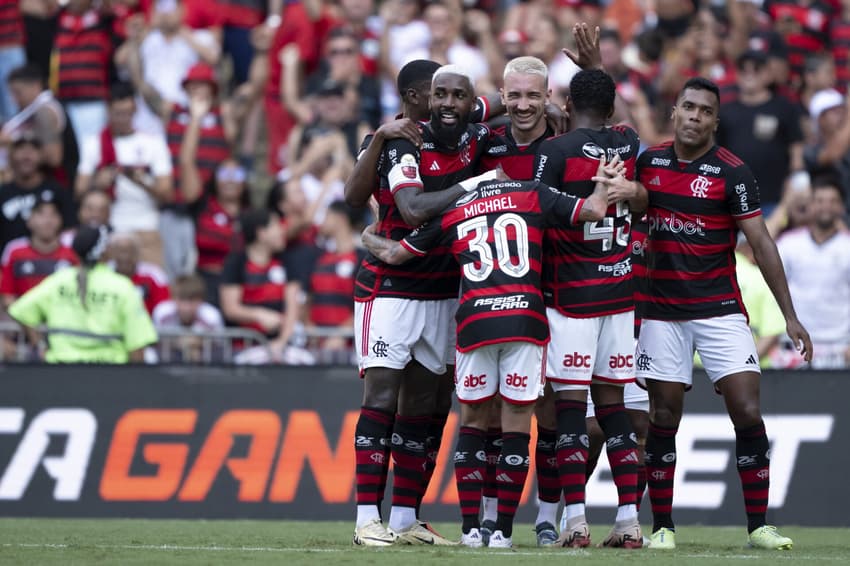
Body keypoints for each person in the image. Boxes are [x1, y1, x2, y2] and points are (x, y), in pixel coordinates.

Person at [361, 171, 610, 548]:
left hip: (476, 321)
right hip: (524, 319)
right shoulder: (533, 193)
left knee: (473, 425)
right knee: (515, 428)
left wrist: (368, 237)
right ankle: (503, 534)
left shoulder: (458, 206)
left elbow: (396, 255)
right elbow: (593, 211)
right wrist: (605, 182)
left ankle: (471, 531)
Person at [628, 76, 812, 550]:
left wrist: (789, 316)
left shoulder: (734, 172)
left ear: (714, 121)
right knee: (662, 417)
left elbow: (763, 244)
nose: (694, 116)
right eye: (687, 107)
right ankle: (663, 527)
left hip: (719, 307)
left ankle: (759, 528)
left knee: (748, 411)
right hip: (661, 310)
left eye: (705, 111)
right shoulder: (648, 162)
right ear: (674, 111)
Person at [349, 63, 491, 547]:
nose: (448, 102)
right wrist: (476, 187)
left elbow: (510, 106)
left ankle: (406, 519)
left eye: (457, 95)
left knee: (426, 408)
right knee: (383, 399)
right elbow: (409, 209)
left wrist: (555, 106)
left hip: (443, 290)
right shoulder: (400, 142)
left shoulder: (474, 131)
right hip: (389, 286)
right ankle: (367, 518)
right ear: (422, 97)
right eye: (439, 94)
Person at [533, 60, 645, 547]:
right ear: (613, 105)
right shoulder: (629, 143)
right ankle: (628, 521)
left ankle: (574, 521)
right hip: (620, 297)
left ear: (568, 105)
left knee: (571, 411)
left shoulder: (555, 150)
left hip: (572, 296)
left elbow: (537, 206)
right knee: (615, 408)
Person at [475, 55, 561, 547]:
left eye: (533, 95)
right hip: (492, 295)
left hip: (552, 290)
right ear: (502, 98)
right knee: (488, 413)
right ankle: (489, 514)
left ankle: (547, 516)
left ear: (548, 96)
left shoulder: (567, 145)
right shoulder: (485, 145)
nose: (524, 104)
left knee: (545, 410)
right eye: (515, 95)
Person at [7, 224, 158, 363]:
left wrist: (40, 346)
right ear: (104, 251)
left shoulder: (59, 280)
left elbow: (20, 311)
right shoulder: (122, 286)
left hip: (60, 370)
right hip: (110, 374)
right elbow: (137, 344)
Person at [75, 82, 174, 268]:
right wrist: (97, 183)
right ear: (108, 110)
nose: (123, 119)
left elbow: (167, 193)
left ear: (135, 110)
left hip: (146, 227)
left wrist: (141, 181)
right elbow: (79, 192)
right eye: (117, 113)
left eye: (128, 113)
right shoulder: (94, 144)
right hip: (109, 229)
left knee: (149, 287)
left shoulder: (153, 143)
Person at [717, 50, 804, 212]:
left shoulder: (784, 107)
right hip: (732, 199)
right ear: (736, 74)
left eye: (756, 68)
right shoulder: (725, 112)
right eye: (743, 69)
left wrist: (796, 180)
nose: (749, 73)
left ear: (768, 75)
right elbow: (716, 155)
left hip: (775, 199)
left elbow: (796, 150)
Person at [776, 178, 850, 368]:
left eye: (832, 201)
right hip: (794, 344)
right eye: (819, 201)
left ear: (841, 207)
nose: (826, 206)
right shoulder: (788, 243)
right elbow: (772, 287)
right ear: (809, 206)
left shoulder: (847, 245)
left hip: (840, 346)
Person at [219, 208, 300, 361]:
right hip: (244, 348)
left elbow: (292, 308)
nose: (282, 229)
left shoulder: (287, 262)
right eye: (276, 225)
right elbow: (230, 308)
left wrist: (281, 343)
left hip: (282, 346)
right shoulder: (236, 263)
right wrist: (259, 315)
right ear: (261, 233)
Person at [3, 64, 79, 188]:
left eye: (17, 92)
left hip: (52, 186)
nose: (13, 99)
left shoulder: (45, 112)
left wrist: (13, 142)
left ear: (35, 86)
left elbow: (53, 158)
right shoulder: (31, 111)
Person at [0, 135, 74, 253]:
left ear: (42, 155)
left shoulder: (57, 191)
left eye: (33, 150)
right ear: (11, 155)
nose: (26, 156)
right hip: (8, 266)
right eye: (20, 149)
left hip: (53, 264)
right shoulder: (2, 193)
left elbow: (70, 232)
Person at [1, 196, 77, 308]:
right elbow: (6, 296)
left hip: (61, 321)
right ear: (29, 220)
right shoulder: (14, 250)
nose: (47, 220)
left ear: (61, 220)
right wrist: (27, 320)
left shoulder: (72, 253)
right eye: (41, 214)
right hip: (21, 319)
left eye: (53, 214)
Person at [108, 232, 171, 317]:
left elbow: (163, 308)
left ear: (138, 253)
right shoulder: (105, 274)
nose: (125, 257)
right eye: (121, 251)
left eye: (130, 251)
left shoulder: (154, 274)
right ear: (112, 253)